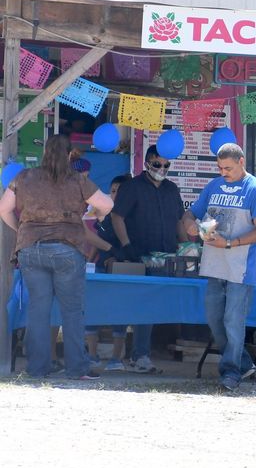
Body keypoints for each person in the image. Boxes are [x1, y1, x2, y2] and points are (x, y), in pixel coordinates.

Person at [0, 135, 114, 379]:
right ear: (69, 155)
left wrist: (21, 229)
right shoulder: (76, 180)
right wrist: (96, 214)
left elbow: (3, 209)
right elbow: (107, 205)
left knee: (37, 310)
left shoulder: (24, 178)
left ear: (45, 154)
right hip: (67, 248)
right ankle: (76, 369)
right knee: (71, 311)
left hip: (31, 248)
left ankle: (37, 369)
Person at [182, 142, 256, 392]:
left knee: (233, 321)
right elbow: (190, 214)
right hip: (213, 265)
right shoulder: (213, 186)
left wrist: (230, 242)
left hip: (240, 268)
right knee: (214, 319)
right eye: (221, 168)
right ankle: (242, 362)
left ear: (242, 162)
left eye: (229, 168)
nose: (224, 173)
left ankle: (231, 372)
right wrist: (190, 225)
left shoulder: (255, 189)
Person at [111, 146, 187, 374]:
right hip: (139, 256)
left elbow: (179, 220)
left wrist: (186, 247)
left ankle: (142, 354)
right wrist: (127, 246)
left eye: (166, 165)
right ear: (146, 163)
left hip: (168, 257)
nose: (161, 169)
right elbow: (117, 216)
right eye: (157, 165)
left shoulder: (172, 189)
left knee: (156, 307)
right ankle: (138, 355)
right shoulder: (132, 188)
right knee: (140, 306)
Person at [83, 173, 131, 370]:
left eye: (120, 191)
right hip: (101, 268)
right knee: (93, 309)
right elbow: (97, 239)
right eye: (112, 191)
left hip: (122, 270)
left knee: (119, 312)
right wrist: (89, 260)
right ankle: (92, 355)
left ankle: (116, 358)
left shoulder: (131, 217)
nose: (115, 195)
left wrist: (119, 257)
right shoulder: (102, 214)